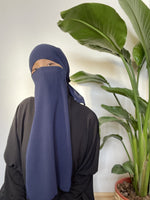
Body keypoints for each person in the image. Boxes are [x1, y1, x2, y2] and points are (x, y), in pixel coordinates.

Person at [0, 44, 100, 200]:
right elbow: (13, 168)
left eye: (50, 64)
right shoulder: (24, 110)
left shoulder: (88, 119)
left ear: (64, 69)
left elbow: (84, 177)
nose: (42, 72)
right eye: (35, 69)